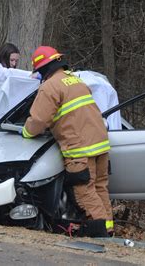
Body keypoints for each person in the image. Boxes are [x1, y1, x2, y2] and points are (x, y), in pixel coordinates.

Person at [21, 46, 113, 237]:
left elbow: (38, 121)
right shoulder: (77, 81)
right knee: (99, 188)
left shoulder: (50, 86)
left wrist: (26, 131)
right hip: (101, 144)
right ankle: (109, 229)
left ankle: (100, 234)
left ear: (44, 69)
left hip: (80, 149)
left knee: (85, 192)